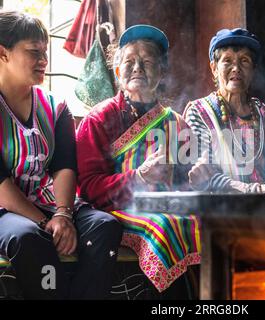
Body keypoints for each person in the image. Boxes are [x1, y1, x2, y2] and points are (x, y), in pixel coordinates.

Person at [0, 10, 122, 299]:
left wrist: (64, 214)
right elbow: (1, 186)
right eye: (34, 52)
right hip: (6, 209)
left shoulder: (55, 107)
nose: (44, 60)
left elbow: (65, 166)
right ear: (3, 53)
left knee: (105, 227)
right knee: (28, 237)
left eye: (45, 51)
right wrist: (47, 222)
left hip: (52, 203)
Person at [76, 25, 200, 296]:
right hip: (116, 210)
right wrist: (139, 177)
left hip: (167, 207)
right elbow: (88, 188)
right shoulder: (99, 119)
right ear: (117, 71)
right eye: (129, 62)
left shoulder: (176, 123)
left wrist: (197, 177)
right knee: (165, 227)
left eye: (147, 62)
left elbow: (186, 182)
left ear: (162, 72)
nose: (137, 68)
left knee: (208, 223)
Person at [184, 28, 265, 193]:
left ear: (253, 70)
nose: (236, 68)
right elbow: (205, 173)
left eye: (244, 61)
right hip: (220, 211)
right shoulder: (199, 113)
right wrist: (255, 190)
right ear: (214, 68)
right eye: (227, 60)